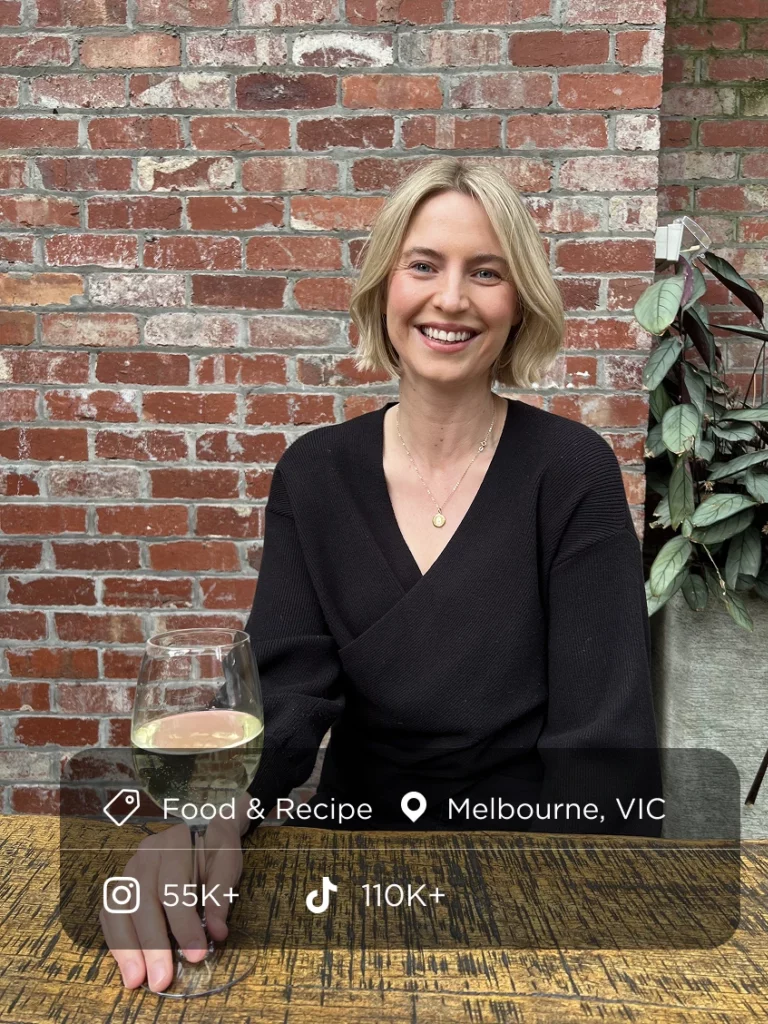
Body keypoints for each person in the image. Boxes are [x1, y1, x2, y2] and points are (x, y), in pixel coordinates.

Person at [101, 157, 661, 991]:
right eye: (423, 265)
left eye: (486, 273)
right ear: (383, 288)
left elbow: (601, 744)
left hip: (525, 868)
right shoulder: (314, 473)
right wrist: (209, 823)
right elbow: (286, 696)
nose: (450, 298)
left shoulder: (570, 472)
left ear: (519, 303)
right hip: (352, 861)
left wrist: (560, 932)